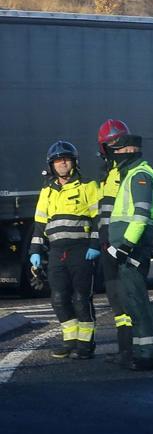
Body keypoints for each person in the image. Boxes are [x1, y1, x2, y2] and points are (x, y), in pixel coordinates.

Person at [103, 124, 153, 371]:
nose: (115, 155)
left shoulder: (139, 176)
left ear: (130, 150)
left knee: (136, 299)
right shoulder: (137, 174)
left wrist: (127, 245)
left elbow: (141, 215)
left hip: (131, 248)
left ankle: (147, 355)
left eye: (118, 150)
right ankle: (144, 351)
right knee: (133, 299)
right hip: (134, 246)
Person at [29, 141, 102, 359]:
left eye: (66, 160)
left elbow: (99, 219)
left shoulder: (88, 186)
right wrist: (35, 251)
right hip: (56, 252)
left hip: (81, 250)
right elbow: (40, 224)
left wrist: (95, 245)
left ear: (74, 163)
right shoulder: (47, 191)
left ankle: (85, 344)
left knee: (81, 298)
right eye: (58, 161)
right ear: (51, 165)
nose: (62, 164)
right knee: (59, 298)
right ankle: (69, 340)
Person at [96, 119, 134, 367]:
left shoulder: (131, 172)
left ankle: (135, 350)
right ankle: (125, 350)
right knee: (116, 300)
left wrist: (127, 242)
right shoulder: (108, 173)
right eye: (111, 145)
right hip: (107, 245)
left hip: (122, 244)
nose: (115, 150)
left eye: (119, 145)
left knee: (129, 299)